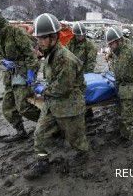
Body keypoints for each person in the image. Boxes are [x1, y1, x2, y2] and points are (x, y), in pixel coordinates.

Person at [24, 13, 89, 180]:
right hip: (52, 104)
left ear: (53, 37)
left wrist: (41, 90)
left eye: (42, 38)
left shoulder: (65, 59)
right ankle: (42, 161)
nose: (39, 42)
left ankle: (84, 157)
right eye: (38, 38)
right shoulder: (50, 54)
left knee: (76, 140)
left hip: (69, 105)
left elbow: (62, 88)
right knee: (39, 133)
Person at [0, 4, 40, 141]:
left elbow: (31, 55)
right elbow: (0, 54)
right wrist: (4, 61)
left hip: (25, 70)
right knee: (8, 107)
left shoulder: (15, 32)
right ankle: (21, 132)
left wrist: (31, 72)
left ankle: (51, 123)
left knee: (24, 107)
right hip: (11, 72)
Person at [68, 22, 97, 118]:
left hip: (84, 72)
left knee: (83, 93)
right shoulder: (70, 43)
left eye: (82, 35)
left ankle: (88, 112)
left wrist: (87, 75)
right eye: (78, 35)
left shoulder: (89, 45)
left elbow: (91, 62)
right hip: (72, 72)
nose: (80, 37)